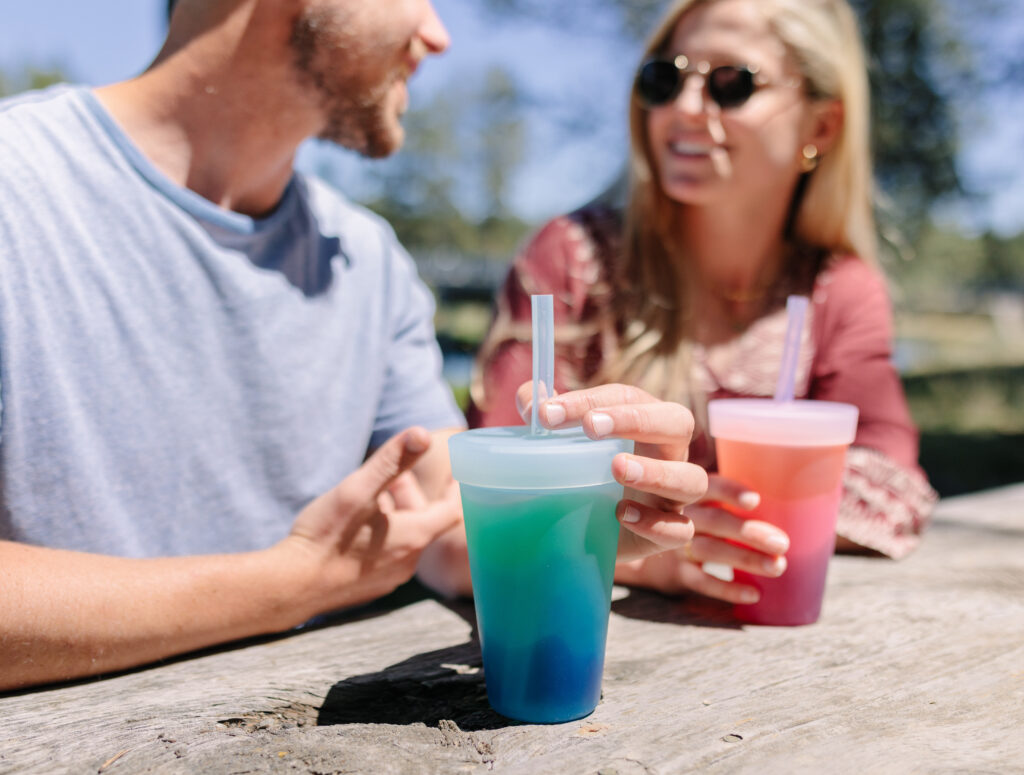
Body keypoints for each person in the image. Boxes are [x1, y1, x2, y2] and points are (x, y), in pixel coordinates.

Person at [0, 0, 704, 691]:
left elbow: (444, 530)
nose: (438, 33)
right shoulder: (17, 191)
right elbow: (313, 577)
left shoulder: (367, 260)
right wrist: (286, 584)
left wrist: (587, 522)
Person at [470, 0, 938, 605]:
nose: (683, 109)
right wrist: (644, 548)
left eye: (730, 83)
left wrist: (708, 515)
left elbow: (894, 485)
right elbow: (488, 489)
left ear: (820, 128)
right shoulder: (573, 257)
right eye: (665, 79)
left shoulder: (838, 289)